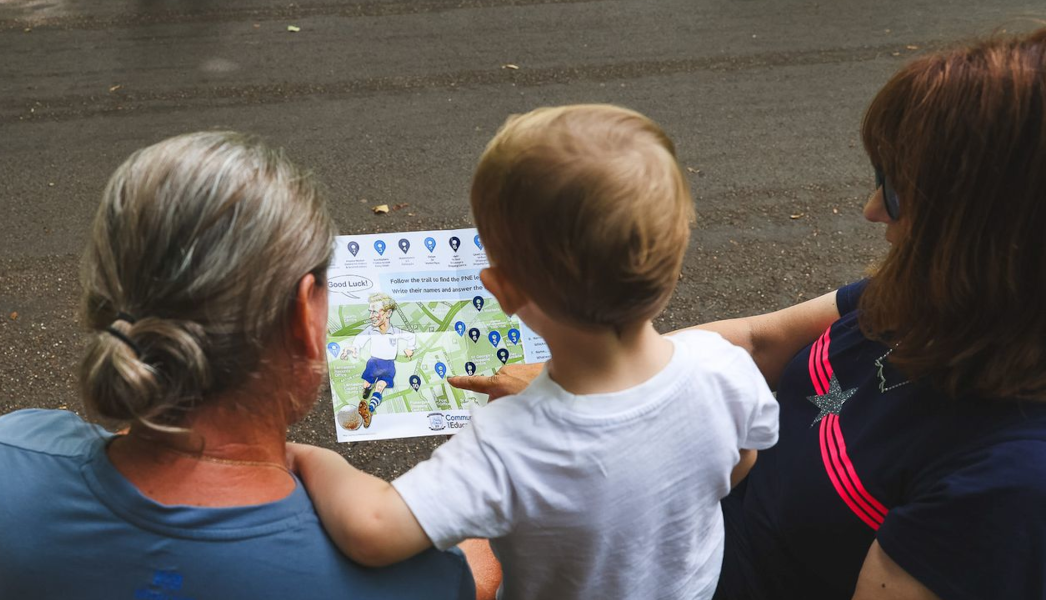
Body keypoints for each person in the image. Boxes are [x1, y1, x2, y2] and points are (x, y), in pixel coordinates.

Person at [453, 30, 1046, 600]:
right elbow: (759, 342)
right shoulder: (941, 294)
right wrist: (598, 385)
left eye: (895, 192)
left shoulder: (1006, 486)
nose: (870, 210)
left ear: (990, 237)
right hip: (683, 536)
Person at [0, 132, 497, 600]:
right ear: (302, 316)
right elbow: (477, 579)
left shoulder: (3, 466)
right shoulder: (405, 579)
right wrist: (521, 445)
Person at [288, 104, 780, 600]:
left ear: (501, 292)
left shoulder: (508, 443)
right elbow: (741, 461)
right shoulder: (723, 367)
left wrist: (309, 459)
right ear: (675, 265)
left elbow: (373, 530)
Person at [342, 292, 417, 427]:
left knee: (380, 386)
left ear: (388, 313)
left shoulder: (395, 332)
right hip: (373, 363)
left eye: (375, 312)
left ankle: (369, 411)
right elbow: (360, 338)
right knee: (367, 384)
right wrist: (354, 348)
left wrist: (410, 348)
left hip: (388, 365)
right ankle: (367, 388)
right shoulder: (371, 330)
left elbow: (411, 336)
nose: (371, 316)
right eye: (370, 312)